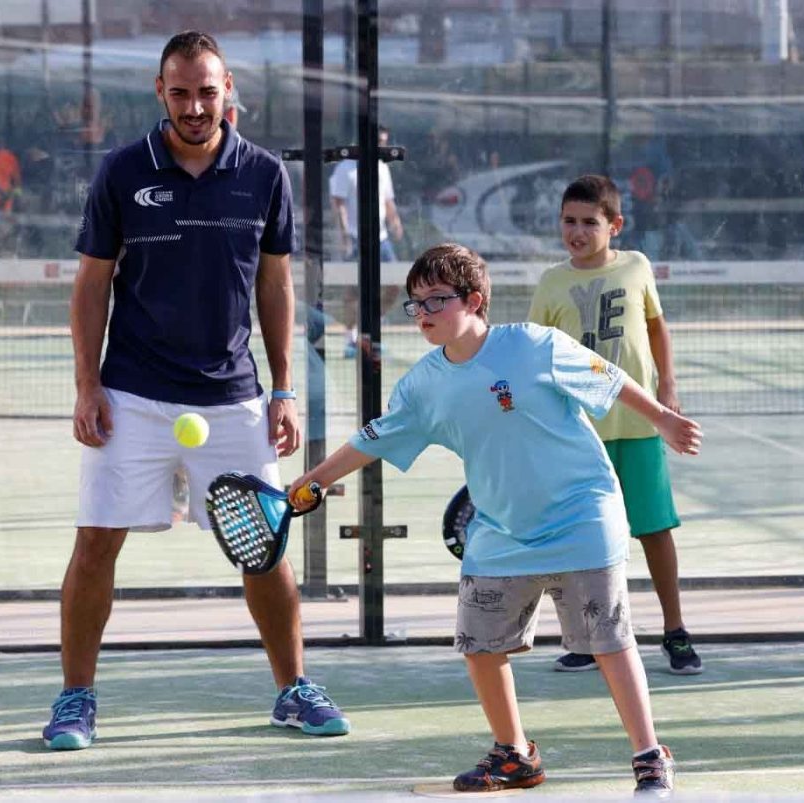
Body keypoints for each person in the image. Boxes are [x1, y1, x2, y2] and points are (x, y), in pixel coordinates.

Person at [287, 243, 701, 795]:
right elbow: (371, 439)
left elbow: (609, 380)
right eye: (414, 304)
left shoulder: (533, 345)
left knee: (608, 641)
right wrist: (313, 480)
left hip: (583, 516)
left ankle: (650, 755)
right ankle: (515, 755)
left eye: (435, 300)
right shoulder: (422, 386)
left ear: (475, 300)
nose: (423, 314)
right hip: (501, 533)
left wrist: (665, 420)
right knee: (480, 646)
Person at [43, 30, 349, 751]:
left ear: (228, 89)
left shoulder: (265, 174)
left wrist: (283, 388)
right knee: (95, 546)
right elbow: (92, 285)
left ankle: (293, 688)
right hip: (134, 393)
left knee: (264, 548)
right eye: (180, 92)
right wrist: (87, 385)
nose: (194, 106)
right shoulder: (123, 173)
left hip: (234, 397)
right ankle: (75, 698)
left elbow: (275, 284)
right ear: (160, 92)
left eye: (207, 91)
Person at [527, 174, 702, 676]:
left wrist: (667, 388)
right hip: (579, 434)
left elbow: (655, 327)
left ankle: (675, 631)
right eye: (569, 221)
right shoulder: (551, 283)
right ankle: (589, 634)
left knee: (653, 529)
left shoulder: (637, 267)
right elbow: (540, 355)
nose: (577, 232)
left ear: (615, 225)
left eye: (589, 222)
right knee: (582, 536)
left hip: (639, 426)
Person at [329, 125, 404, 358]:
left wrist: (396, 223)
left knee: (395, 283)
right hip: (355, 238)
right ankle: (350, 340)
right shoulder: (345, 168)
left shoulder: (382, 167)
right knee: (353, 291)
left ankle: (372, 329)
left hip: (381, 240)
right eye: (379, 140)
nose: (383, 145)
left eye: (385, 140)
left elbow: (388, 200)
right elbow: (338, 203)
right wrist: (344, 236)